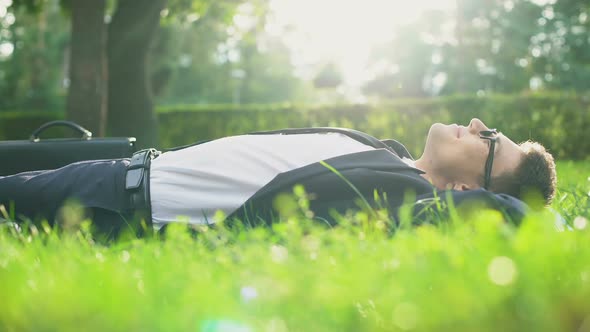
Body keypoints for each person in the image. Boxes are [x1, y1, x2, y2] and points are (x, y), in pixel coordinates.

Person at [0, 118, 556, 235]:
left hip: (120, 205)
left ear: (467, 189)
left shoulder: (401, 197)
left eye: (490, 142)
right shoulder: (382, 154)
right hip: (129, 168)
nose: (479, 125)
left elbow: (505, 217)